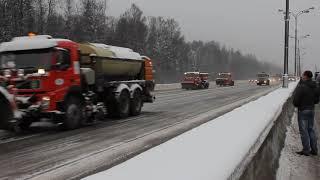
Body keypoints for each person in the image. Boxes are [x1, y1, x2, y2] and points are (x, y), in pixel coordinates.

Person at [293, 70, 319, 156]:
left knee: (304, 131)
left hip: (303, 110)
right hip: (311, 110)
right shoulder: (315, 86)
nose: (302, 76)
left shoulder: (302, 86)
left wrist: (297, 104)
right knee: (310, 129)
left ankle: (306, 150)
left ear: (305, 76)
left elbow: (296, 100)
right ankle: (314, 150)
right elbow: (317, 99)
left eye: (303, 75)